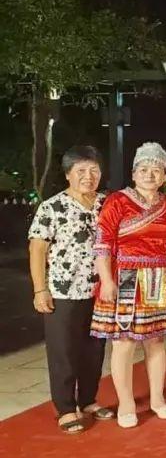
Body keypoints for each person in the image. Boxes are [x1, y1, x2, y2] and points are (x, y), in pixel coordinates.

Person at [90, 142, 166, 429]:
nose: (150, 175)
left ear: (164, 175)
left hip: (156, 278)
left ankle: (157, 399)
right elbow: (102, 243)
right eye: (144, 169)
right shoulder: (117, 201)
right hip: (125, 276)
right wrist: (106, 280)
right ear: (134, 173)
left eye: (156, 170)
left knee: (155, 342)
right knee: (124, 343)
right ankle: (126, 402)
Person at [28, 145, 111, 434]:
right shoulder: (52, 207)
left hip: (100, 291)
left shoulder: (107, 204)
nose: (88, 176)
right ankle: (65, 408)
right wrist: (40, 290)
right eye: (81, 171)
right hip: (64, 291)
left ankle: (88, 400)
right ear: (68, 175)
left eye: (93, 170)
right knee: (63, 350)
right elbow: (37, 249)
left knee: (94, 350)